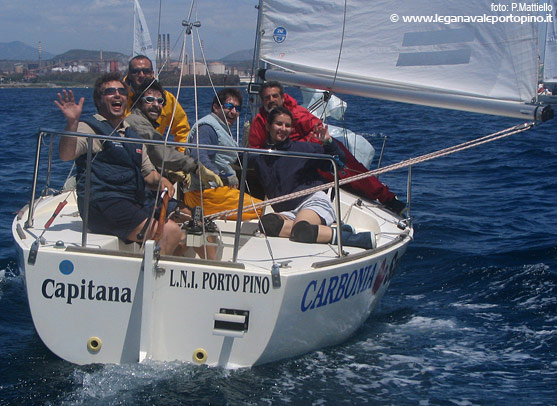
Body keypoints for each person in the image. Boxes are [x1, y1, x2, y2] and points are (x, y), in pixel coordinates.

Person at [56, 72, 185, 256]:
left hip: (133, 201)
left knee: (191, 224)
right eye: (110, 91)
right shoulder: (90, 129)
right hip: (103, 204)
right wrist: (71, 124)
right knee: (170, 232)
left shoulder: (132, 135)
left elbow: (148, 173)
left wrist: (162, 180)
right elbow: (66, 155)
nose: (117, 95)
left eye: (122, 92)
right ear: (99, 100)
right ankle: (151, 280)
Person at [249, 81, 407, 215]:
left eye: (274, 96)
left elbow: (316, 128)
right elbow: (256, 150)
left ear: (282, 97)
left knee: (349, 170)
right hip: (284, 163)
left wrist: (303, 147)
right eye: (267, 97)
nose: (271, 100)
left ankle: (387, 198)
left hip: (309, 155)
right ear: (262, 101)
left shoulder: (297, 113)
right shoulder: (260, 121)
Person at [253, 106, 375, 250]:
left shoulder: (305, 150)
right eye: (279, 124)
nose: (283, 128)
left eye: (287, 125)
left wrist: (328, 142)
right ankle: (324, 231)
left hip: (312, 202)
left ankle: (357, 239)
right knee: (267, 224)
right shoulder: (259, 158)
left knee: (301, 230)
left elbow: (339, 162)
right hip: (288, 212)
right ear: (268, 126)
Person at [125, 79, 223, 189]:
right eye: (149, 99)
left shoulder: (145, 123)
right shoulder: (136, 123)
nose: (156, 104)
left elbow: (151, 157)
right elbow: (158, 151)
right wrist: (194, 167)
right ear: (138, 102)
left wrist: (169, 173)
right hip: (132, 186)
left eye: (160, 101)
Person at [184, 88, 263, 220]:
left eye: (237, 109)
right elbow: (199, 156)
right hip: (203, 195)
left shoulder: (221, 129)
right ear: (216, 107)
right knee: (261, 209)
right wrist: (223, 176)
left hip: (215, 192)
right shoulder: (207, 128)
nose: (234, 112)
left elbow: (236, 157)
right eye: (229, 107)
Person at [124, 55, 191, 152]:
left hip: (153, 154)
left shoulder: (166, 98)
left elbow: (182, 129)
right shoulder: (120, 96)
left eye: (146, 71)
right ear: (129, 74)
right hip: (125, 154)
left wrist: (180, 154)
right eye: (136, 71)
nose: (141, 75)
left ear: (152, 73)